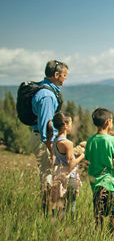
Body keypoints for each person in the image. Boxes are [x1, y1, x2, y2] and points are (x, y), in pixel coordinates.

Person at [31, 60, 69, 215]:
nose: (66, 78)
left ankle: (49, 211)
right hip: (45, 140)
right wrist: (52, 151)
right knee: (48, 178)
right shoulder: (47, 96)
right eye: (64, 75)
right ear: (56, 75)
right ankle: (48, 214)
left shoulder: (44, 89)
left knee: (48, 176)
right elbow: (47, 125)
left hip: (42, 138)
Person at [85, 108, 114, 234]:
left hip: (97, 183)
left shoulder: (91, 141)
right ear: (108, 122)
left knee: (99, 214)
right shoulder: (113, 140)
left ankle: (98, 235)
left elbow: (88, 159)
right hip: (113, 183)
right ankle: (113, 236)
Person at [50, 112, 85, 218]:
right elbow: (71, 164)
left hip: (59, 175)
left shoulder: (55, 141)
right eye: (70, 123)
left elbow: (60, 159)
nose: (71, 126)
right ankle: (70, 223)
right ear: (65, 125)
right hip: (70, 177)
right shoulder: (68, 143)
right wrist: (82, 155)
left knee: (61, 204)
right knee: (71, 205)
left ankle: (56, 221)